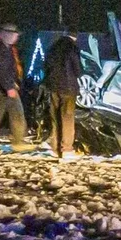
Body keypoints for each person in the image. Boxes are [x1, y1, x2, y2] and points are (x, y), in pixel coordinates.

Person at [0, 23, 34, 153]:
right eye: (15, 35)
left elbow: (9, 69)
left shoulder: (6, 47)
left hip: (8, 87)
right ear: (7, 34)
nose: (17, 38)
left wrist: (13, 83)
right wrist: (8, 86)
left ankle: (18, 141)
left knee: (17, 113)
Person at [43, 30, 83, 158]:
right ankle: (66, 149)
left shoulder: (53, 47)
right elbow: (78, 70)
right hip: (68, 88)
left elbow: (46, 65)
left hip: (53, 87)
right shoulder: (72, 48)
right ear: (75, 37)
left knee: (55, 117)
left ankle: (55, 149)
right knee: (67, 118)